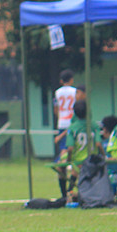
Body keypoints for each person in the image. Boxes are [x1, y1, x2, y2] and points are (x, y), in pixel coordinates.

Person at [64, 100, 100, 197]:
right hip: (92, 160)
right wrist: (102, 156)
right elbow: (98, 143)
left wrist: (69, 160)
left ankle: (68, 193)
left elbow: (70, 148)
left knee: (74, 172)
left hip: (78, 160)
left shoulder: (72, 128)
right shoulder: (94, 126)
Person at [52, 70, 79, 200]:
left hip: (61, 123)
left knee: (63, 158)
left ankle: (64, 193)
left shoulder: (57, 93)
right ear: (72, 79)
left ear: (61, 81)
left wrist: (60, 118)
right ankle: (69, 190)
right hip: (73, 123)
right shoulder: (75, 92)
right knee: (73, 157)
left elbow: (56, 109)